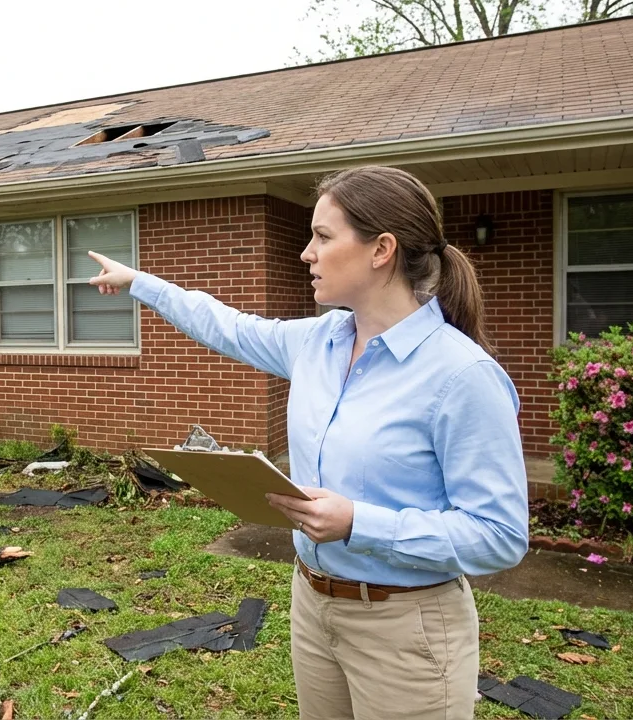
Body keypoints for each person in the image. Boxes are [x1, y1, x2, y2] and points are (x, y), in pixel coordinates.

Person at [88, 165, 528, 719]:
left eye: (323, 236)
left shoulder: (462, 376)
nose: (306, 253)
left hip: (407, 627)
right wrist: (140, 283)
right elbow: (227, 326)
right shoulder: (318, 341)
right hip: (314, 604)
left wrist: (358, 523)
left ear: (381, 250)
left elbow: (500, 536)